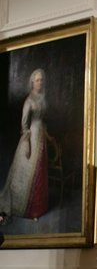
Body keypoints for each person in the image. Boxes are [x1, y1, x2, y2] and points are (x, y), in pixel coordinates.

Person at [0, 68, 55, 220]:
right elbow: (24, 125)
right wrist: (28, 145)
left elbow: (42, 122)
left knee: (40, 173)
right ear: (32, 82)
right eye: (37, 80)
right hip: (31, 138)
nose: (39, 82)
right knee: (28, 174)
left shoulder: (43, 99)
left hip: (41, 139)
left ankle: (38, 208)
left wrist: (48, 136)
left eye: (41, 80)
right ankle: (28, 210)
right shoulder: (29, 101)